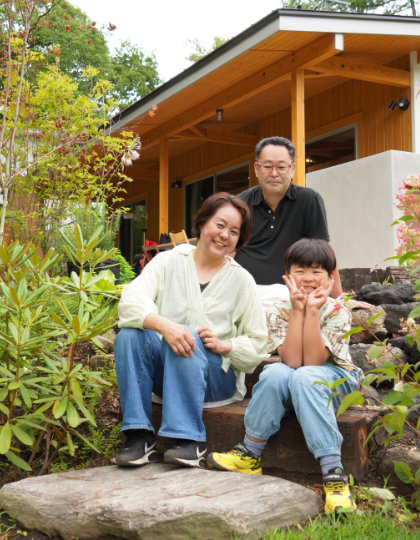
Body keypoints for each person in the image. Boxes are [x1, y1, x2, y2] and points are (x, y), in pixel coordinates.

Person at [114, 192, 269, 468]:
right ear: (203, 222)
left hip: (214, 379)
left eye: (234, 232)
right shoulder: (167, 262)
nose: (224, 235)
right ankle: (138, 436)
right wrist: (165, 326)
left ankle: (189, 441)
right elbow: (130, 303)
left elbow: (258, 344)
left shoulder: (242, 280)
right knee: (130, 335)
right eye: (220, 225)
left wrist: (225, 345)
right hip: (166, 373)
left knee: (186, 335)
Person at [208, 238, 361, 513]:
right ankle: (250, 453)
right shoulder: (279, 309)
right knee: (275, 371)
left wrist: (312, 310)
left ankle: (334, 474)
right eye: (300, 271)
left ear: (330, 277)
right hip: (298, 377)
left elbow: (314, 362)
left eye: (317, 272)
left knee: (305, 377)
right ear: (287, 277)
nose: (308, 279)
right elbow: (291, 360)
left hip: (336, 380)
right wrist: (297, 311)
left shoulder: (339, 311)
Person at [235, 135, 343, 301]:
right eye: (267, 166)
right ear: (256, 168)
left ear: (292, 169)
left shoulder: (309, 200)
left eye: (281, 167)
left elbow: (324, 252)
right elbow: (226, 252)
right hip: (246, 293)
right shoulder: (240, 203)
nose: (274, 173)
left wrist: (340, 300)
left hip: (294, 295)